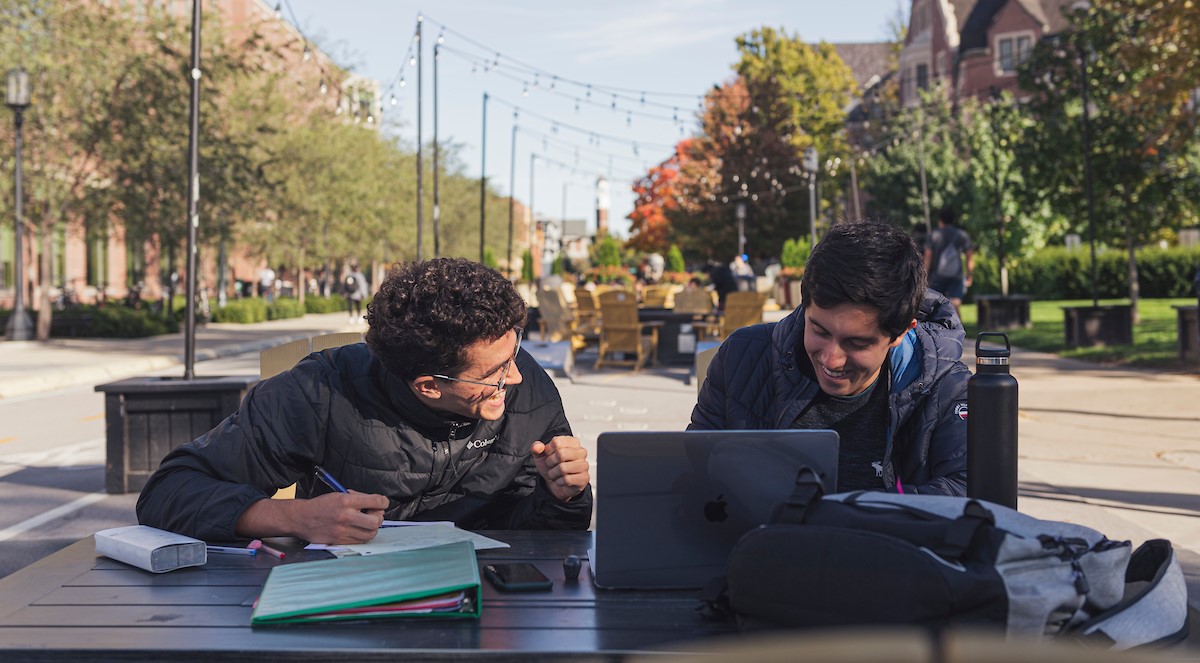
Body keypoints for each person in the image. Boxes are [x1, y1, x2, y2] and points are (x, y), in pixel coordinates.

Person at [137, 257, 593, 544]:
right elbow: (168, 492)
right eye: (493, 374)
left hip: (493, 600)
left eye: (514, 352)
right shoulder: (320, 391)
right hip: (352, 599)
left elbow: (548, 538)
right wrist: (296, 518)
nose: (513, 377)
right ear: (428, 385)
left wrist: (565, 494)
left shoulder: (524, 379)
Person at [690, 220, 969, 495]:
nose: (832, 359)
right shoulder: (742, 357)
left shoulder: (946, 389)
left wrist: (841, 517)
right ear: (805, 306)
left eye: (857, 342)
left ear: (900, 332)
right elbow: (692, 470)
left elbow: (967, 493)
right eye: (819, 331)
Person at [924, 207, 974, 315]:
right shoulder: (961, 235)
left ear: (940, 220)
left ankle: (935, 331)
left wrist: (924, 276)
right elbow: (970, 256)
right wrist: (969, 275)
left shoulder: (934, 235)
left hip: (938, 276)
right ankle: (959, 330)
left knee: (934, 307)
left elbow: (928, 258)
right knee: (955, 305)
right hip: (956, 276)